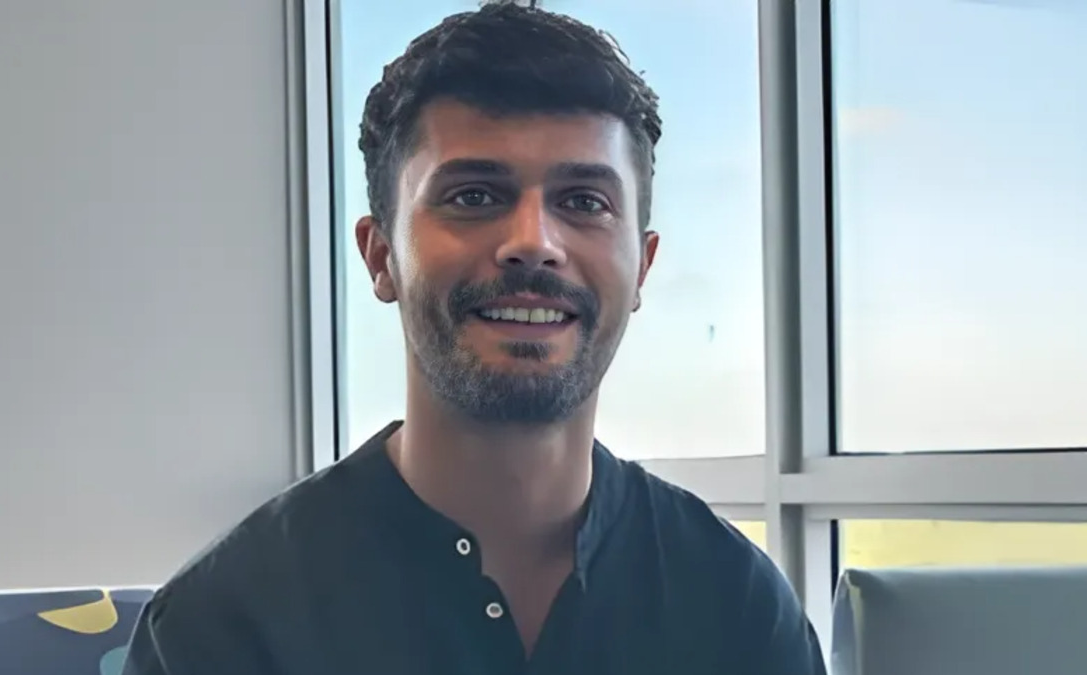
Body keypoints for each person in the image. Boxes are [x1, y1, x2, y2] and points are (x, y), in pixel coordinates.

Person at [121, 2, 827, 673]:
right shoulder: (223, 628)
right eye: (474, 196)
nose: (534, 242)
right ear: (380, 256)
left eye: (584, 201)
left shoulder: (738, 606)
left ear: (641, 266)